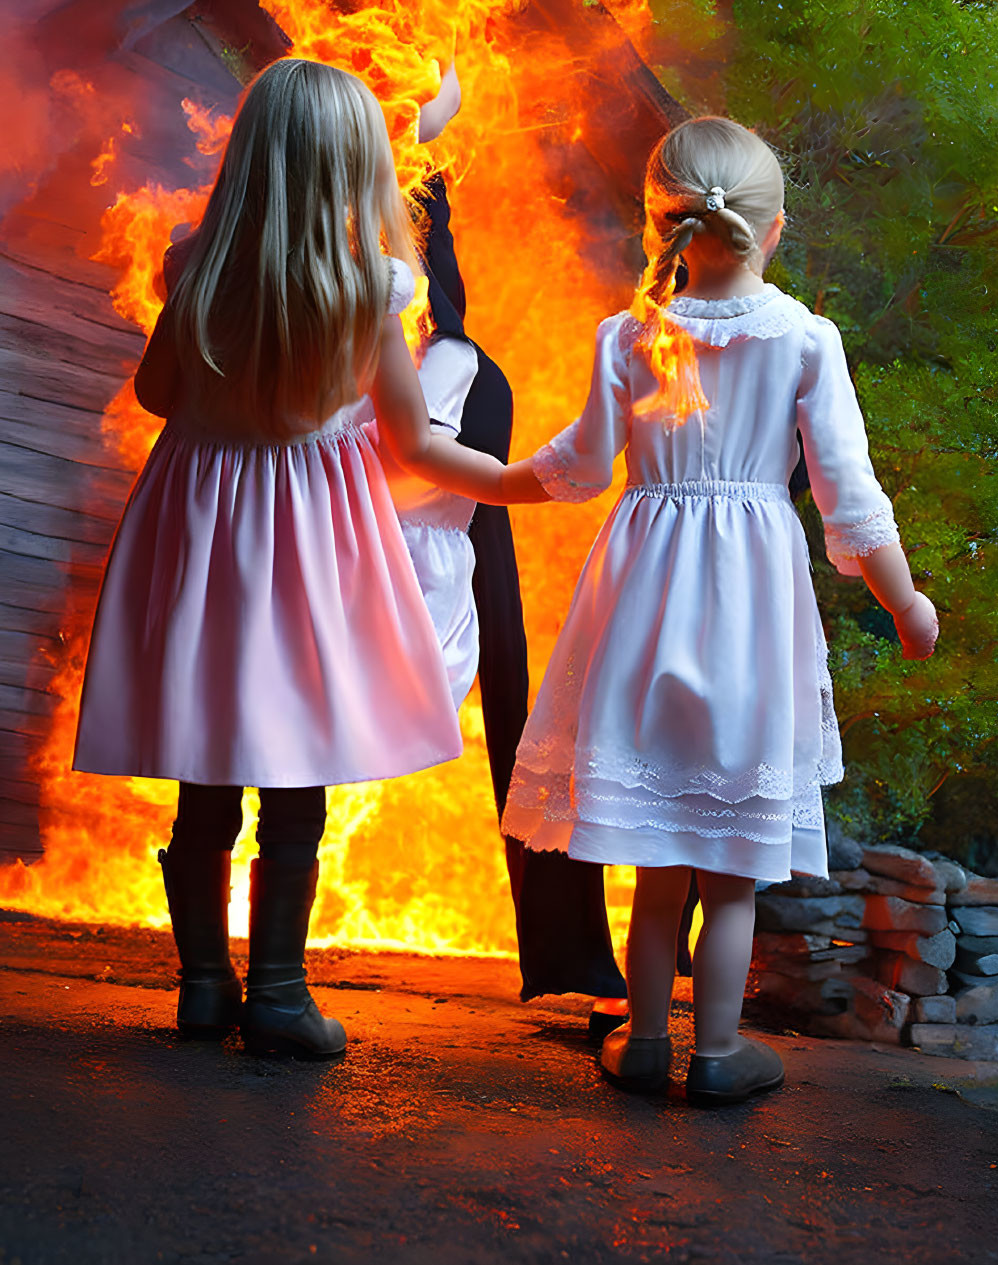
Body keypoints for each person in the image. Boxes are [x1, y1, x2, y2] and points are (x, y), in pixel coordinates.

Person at [71, 58, 516, 1059]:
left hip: (198, 531)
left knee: (209, 760)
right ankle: (275, 992)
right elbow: (411, 443)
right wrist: (517, 476)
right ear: (356, 173)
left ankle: (200, 984)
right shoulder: (371, 291)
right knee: (295, 761)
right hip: (305, 543)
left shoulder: (192, 267)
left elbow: (153, 393)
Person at [500, 116, 939, 1105]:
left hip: (644, 597)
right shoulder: (802, 339)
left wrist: (483, 478)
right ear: (772, 230)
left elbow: (573, 470)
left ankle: (646, 1041)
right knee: (728, 863)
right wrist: (905, 604)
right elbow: (850, 501)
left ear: (659, 225)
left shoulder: (629, 334)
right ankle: (718, 1052)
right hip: (750, 607)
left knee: (660, 855)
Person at [386, 157, 630, 1021]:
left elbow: (421, 460)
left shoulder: (449, 356)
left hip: (423, 549)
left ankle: (580, 950)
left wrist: (527, 482)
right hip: (373, 537)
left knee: (523, 725)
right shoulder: (395, 335)